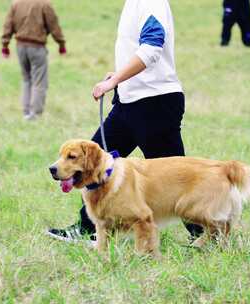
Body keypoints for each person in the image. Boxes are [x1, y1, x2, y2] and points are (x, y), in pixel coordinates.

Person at [47, 0, 204, 245]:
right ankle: (88, 229)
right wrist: (120, 76)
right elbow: (136, 49)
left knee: (175, 178)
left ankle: (206, 234)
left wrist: (115, 79)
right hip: (128, 102)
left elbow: (152, 47)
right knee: (92, 160)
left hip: (155, 104)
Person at [1, 0, 67, 120]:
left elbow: (8, 25)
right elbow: (54, 25)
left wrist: (5, 45)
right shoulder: (44, 4)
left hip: (20, 47)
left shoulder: (16, 3)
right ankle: (35, 114)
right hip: (37, 47)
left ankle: (26, 112)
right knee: (39, 81)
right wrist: (61, 43)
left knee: (26, 80)